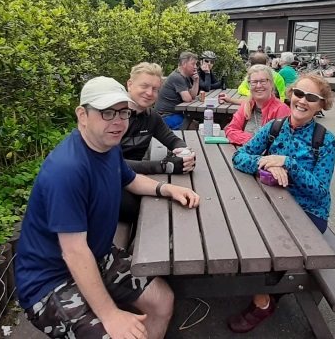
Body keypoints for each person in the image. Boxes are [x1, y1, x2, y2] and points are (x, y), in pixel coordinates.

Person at [16, 76, 201, 339]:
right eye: (107, 113)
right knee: (113, 334)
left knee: (162, 300)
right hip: (50, 280)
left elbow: (130, 179)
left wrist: (167, 189)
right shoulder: (67, 170)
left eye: (123, 112)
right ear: (82, 115)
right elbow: (74, 252)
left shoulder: (108, 146)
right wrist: (111, 315)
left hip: (100, 255)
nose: (118, 122)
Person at [228, 74, 335, 334]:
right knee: (241, 230)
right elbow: (240, 156)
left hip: (309, 211)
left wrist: (288, 164)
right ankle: (262, 288)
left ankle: (263, 300)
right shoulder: (274, 127)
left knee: (264, 242)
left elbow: (320, 191)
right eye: (299, 93)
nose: (302, 101)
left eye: (312, 98)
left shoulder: (325, 140)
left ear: (321, 105)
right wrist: (264, 163)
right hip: (273, 202)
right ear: (290, 94)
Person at [120, 62, 196, 223]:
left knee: (170, 205)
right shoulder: (115, 115)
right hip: (108, 179)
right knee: (145, 210)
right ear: (130, 84)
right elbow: (109, 163)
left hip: (134, 178)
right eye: (144, 86)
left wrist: (185, 155)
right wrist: (163, 166)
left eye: (155, 89)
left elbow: (173, 139)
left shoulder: (151, 116)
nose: (149, 93)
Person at [224, 65, 291, 146]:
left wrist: (254, 142)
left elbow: (284, 142)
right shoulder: (247, 105)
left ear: (271, 84)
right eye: (254, 82)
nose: (258, 85)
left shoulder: (282, 110)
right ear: (249, 85)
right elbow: (231, 130)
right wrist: (253, 140)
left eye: (263, 81)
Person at [156, 51, 200, 130]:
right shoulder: (177, 77)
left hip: (175, 114)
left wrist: (196, 81)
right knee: (193, 126)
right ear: (184, 64)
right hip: (165, 116)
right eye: (193, 64)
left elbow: (193, 95)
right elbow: (187, 99)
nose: (195, 67)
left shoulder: (185, 77)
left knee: (196, 124)